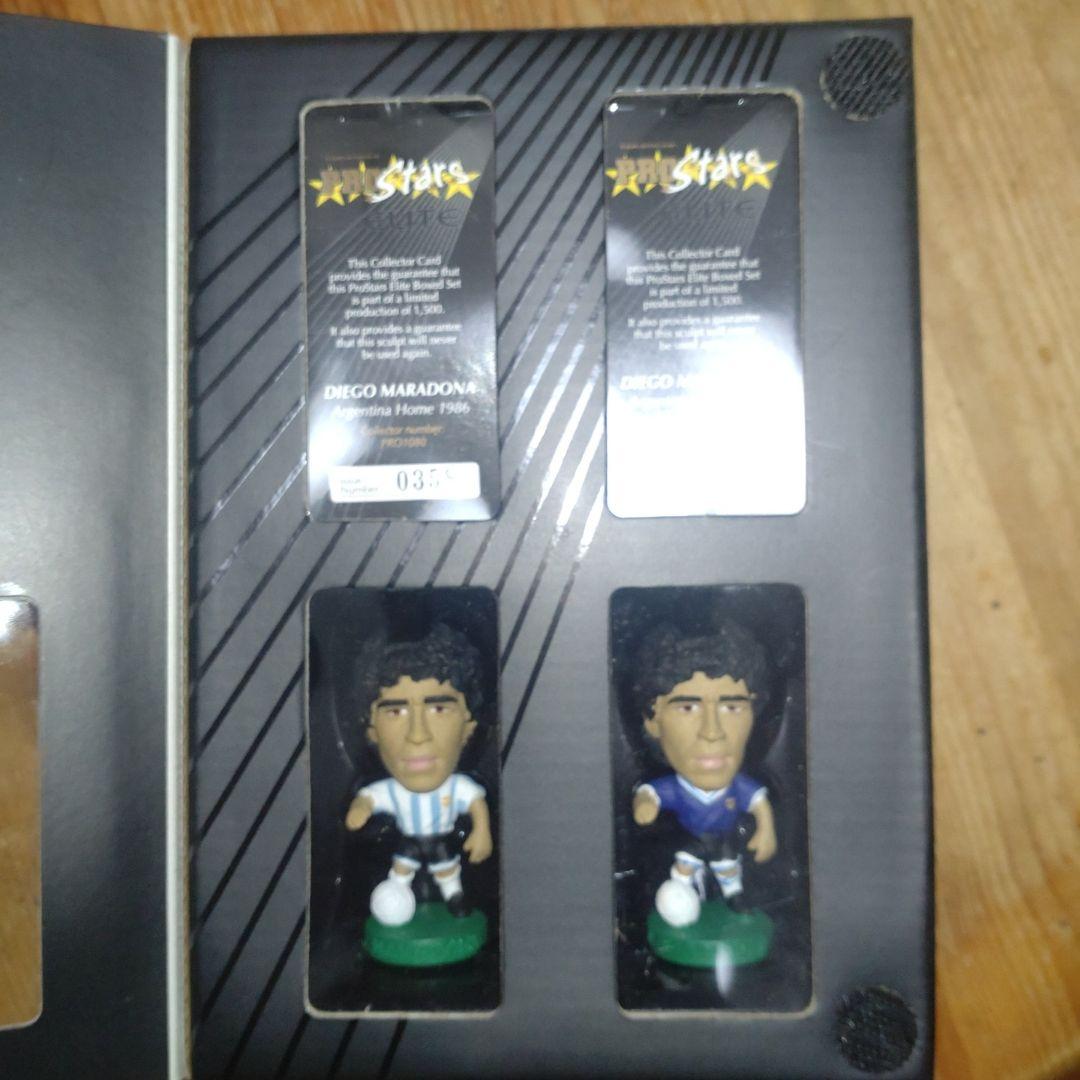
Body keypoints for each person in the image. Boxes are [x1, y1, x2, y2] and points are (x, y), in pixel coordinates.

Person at [344, 623, 493, 927]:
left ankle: (454, 896)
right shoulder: (391, 790)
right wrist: (359, 809)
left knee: (447, 872)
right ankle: (395, 897)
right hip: (408, 842)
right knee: (400, 872)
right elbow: (368, 798)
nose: (417, 735)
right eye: (395, 712)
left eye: (438, 709)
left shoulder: (458, 786)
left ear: (468, 728)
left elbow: (476, 802)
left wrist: (482, 832)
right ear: (372, 732)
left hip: (440, 842)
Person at [631, 621, 777, 928]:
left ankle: (734, 896)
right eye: (687, 708)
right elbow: (650, 793)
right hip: (693, 840)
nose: (712, 732)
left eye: (732, 708)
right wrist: (644, 803)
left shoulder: (737, 787)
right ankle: (683, 898)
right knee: (684, 870)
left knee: (728, 869)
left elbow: (759, 803)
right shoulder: (676, 787)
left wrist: (766, 831)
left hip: (724, 841)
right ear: (652, 721)